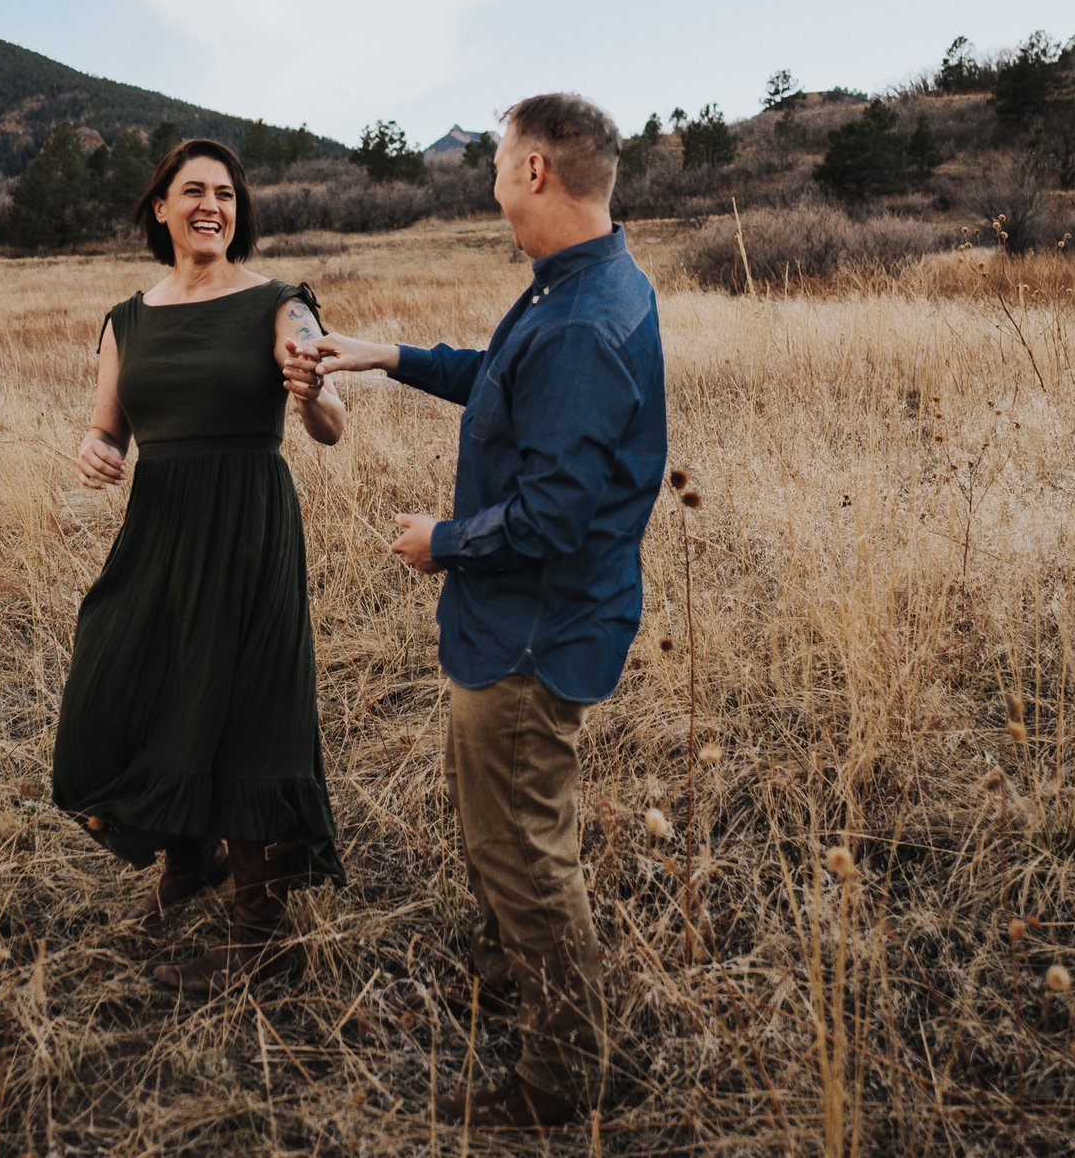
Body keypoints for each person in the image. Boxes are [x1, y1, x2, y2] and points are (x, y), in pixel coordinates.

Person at [299, 91, 666, 1129]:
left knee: (522, 853)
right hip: (521, 619)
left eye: (498, 156)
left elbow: (550, 516)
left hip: (531, 633)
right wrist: (391, 355)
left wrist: (440, 544)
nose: (490, 172)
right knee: (500, 829)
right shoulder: (567, 290)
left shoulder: (587, 320)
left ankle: (560, 1079)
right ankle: (507, 980)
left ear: (536, 171)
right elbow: (509, 384)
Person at [51, 137, 349, 993]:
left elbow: (331, 421)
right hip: (161, 520)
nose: (211, 204)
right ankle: (189, 859)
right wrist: (94, 449)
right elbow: (109, 427)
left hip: (249, 521)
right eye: (193, 191)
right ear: (161, 207)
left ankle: (260, 930)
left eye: (225, 192)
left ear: (238, 210)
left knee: (249, 703)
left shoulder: (282, 304)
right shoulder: (128, 319)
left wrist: (313, 389)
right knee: (125, 681)